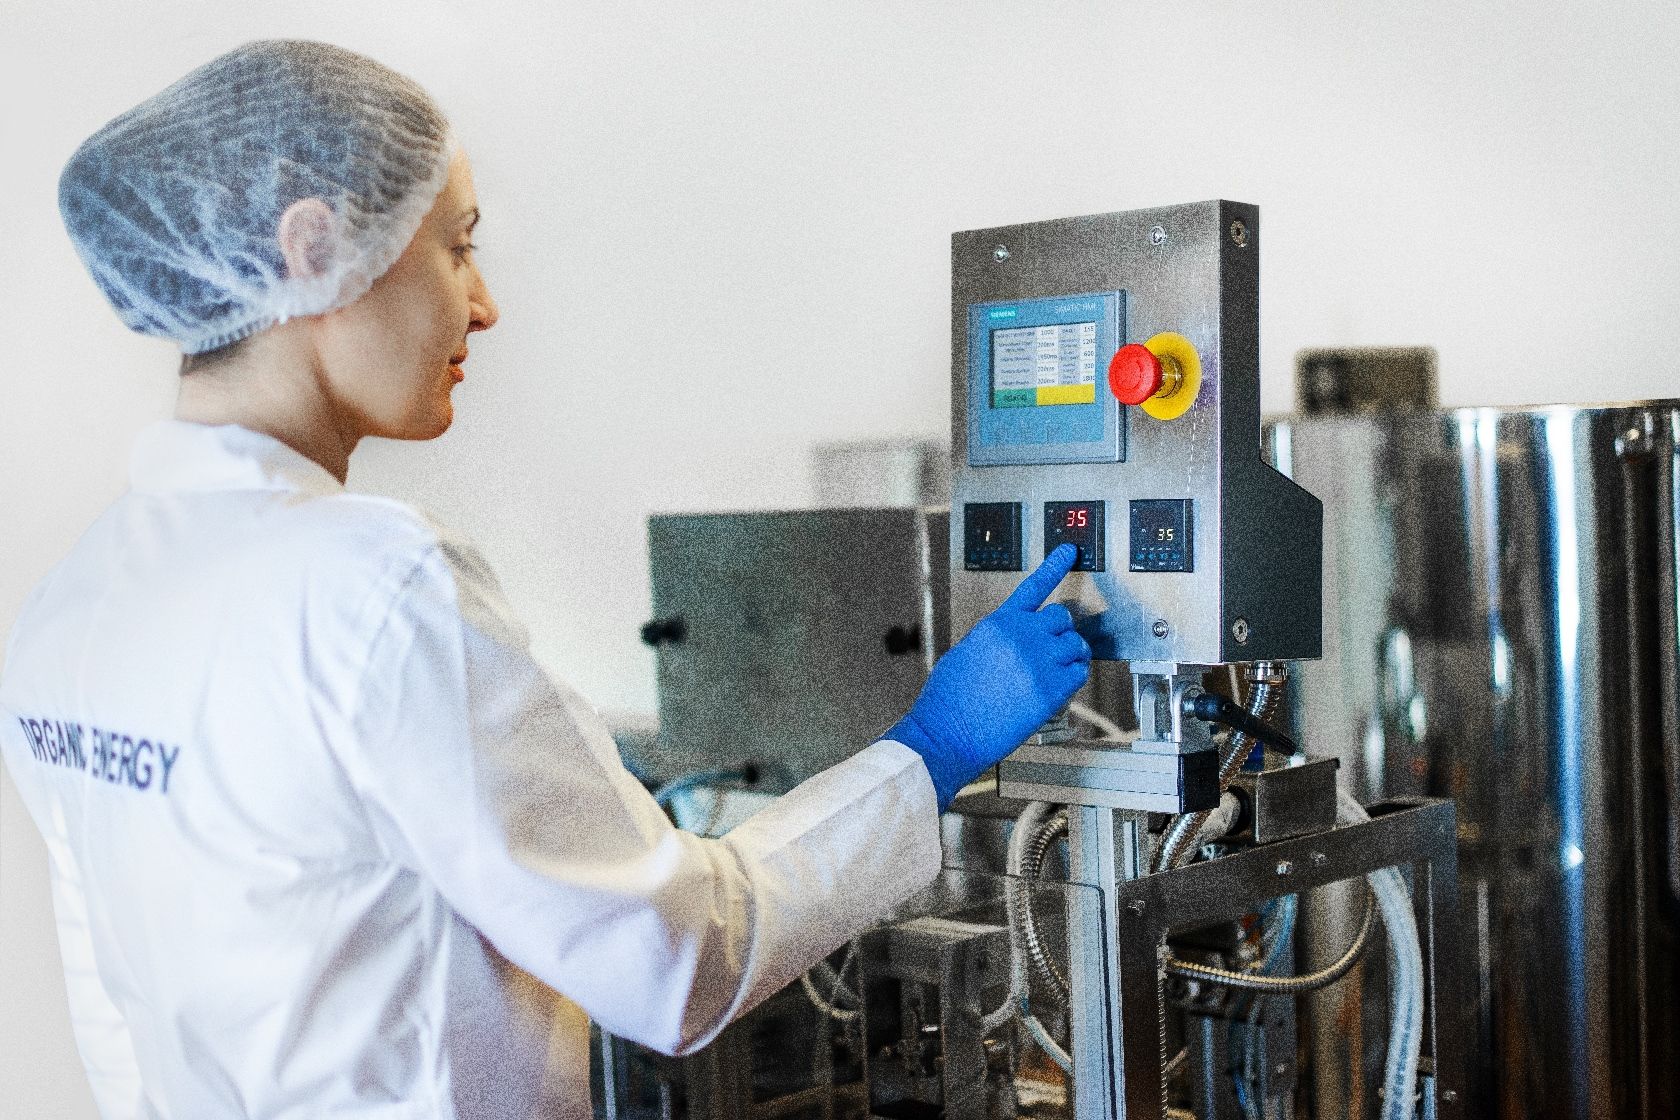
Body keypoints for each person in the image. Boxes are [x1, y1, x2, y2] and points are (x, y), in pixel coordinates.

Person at [0, 40, 1091, 1120]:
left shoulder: (72, 607)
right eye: (457, 247)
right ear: (314, 245)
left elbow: (116, 1023)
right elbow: (676, 957)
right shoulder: (369, 585)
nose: (483, 305)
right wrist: (930, 750)